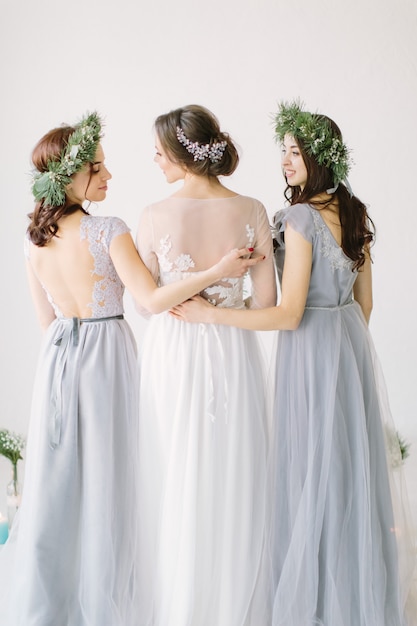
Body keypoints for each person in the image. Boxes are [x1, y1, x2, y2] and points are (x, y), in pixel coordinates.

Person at [0, 111, 262, 626]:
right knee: (112, 477)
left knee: (58, 481)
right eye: (98, 168)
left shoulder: (33, 239)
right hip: (105, 352)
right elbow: (149, 298)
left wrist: (66, 352)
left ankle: (52, 603)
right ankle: (107, 599)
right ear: (71, 175)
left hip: (56, 357)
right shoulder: (108, 229)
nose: (109, 176)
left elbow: (45, 319)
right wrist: (217, 271)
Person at [171, 101, 417, 625]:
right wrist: (340, 354)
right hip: (347, 349)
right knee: (345, 473)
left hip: (309, 352)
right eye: (282, 149)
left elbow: (287, 314)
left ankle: (316, 606)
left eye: (295, 150)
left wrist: (211, 317)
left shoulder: (302, 217)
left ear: (318, 156)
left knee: (308, 473)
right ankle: (353, 596)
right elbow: (365, 304)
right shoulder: (351, 209)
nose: (286, 159)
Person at [135, 104, 277, 625]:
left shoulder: (153, 215)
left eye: (158, 151)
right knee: (232, 468)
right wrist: (218, 303)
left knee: (174, 470)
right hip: (230, 348)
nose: (154, 159)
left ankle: (181, 605)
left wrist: (195, 305)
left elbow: (146, 302)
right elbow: (266, 309)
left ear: (180, 153)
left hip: (172, 349)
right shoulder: (253, 209)